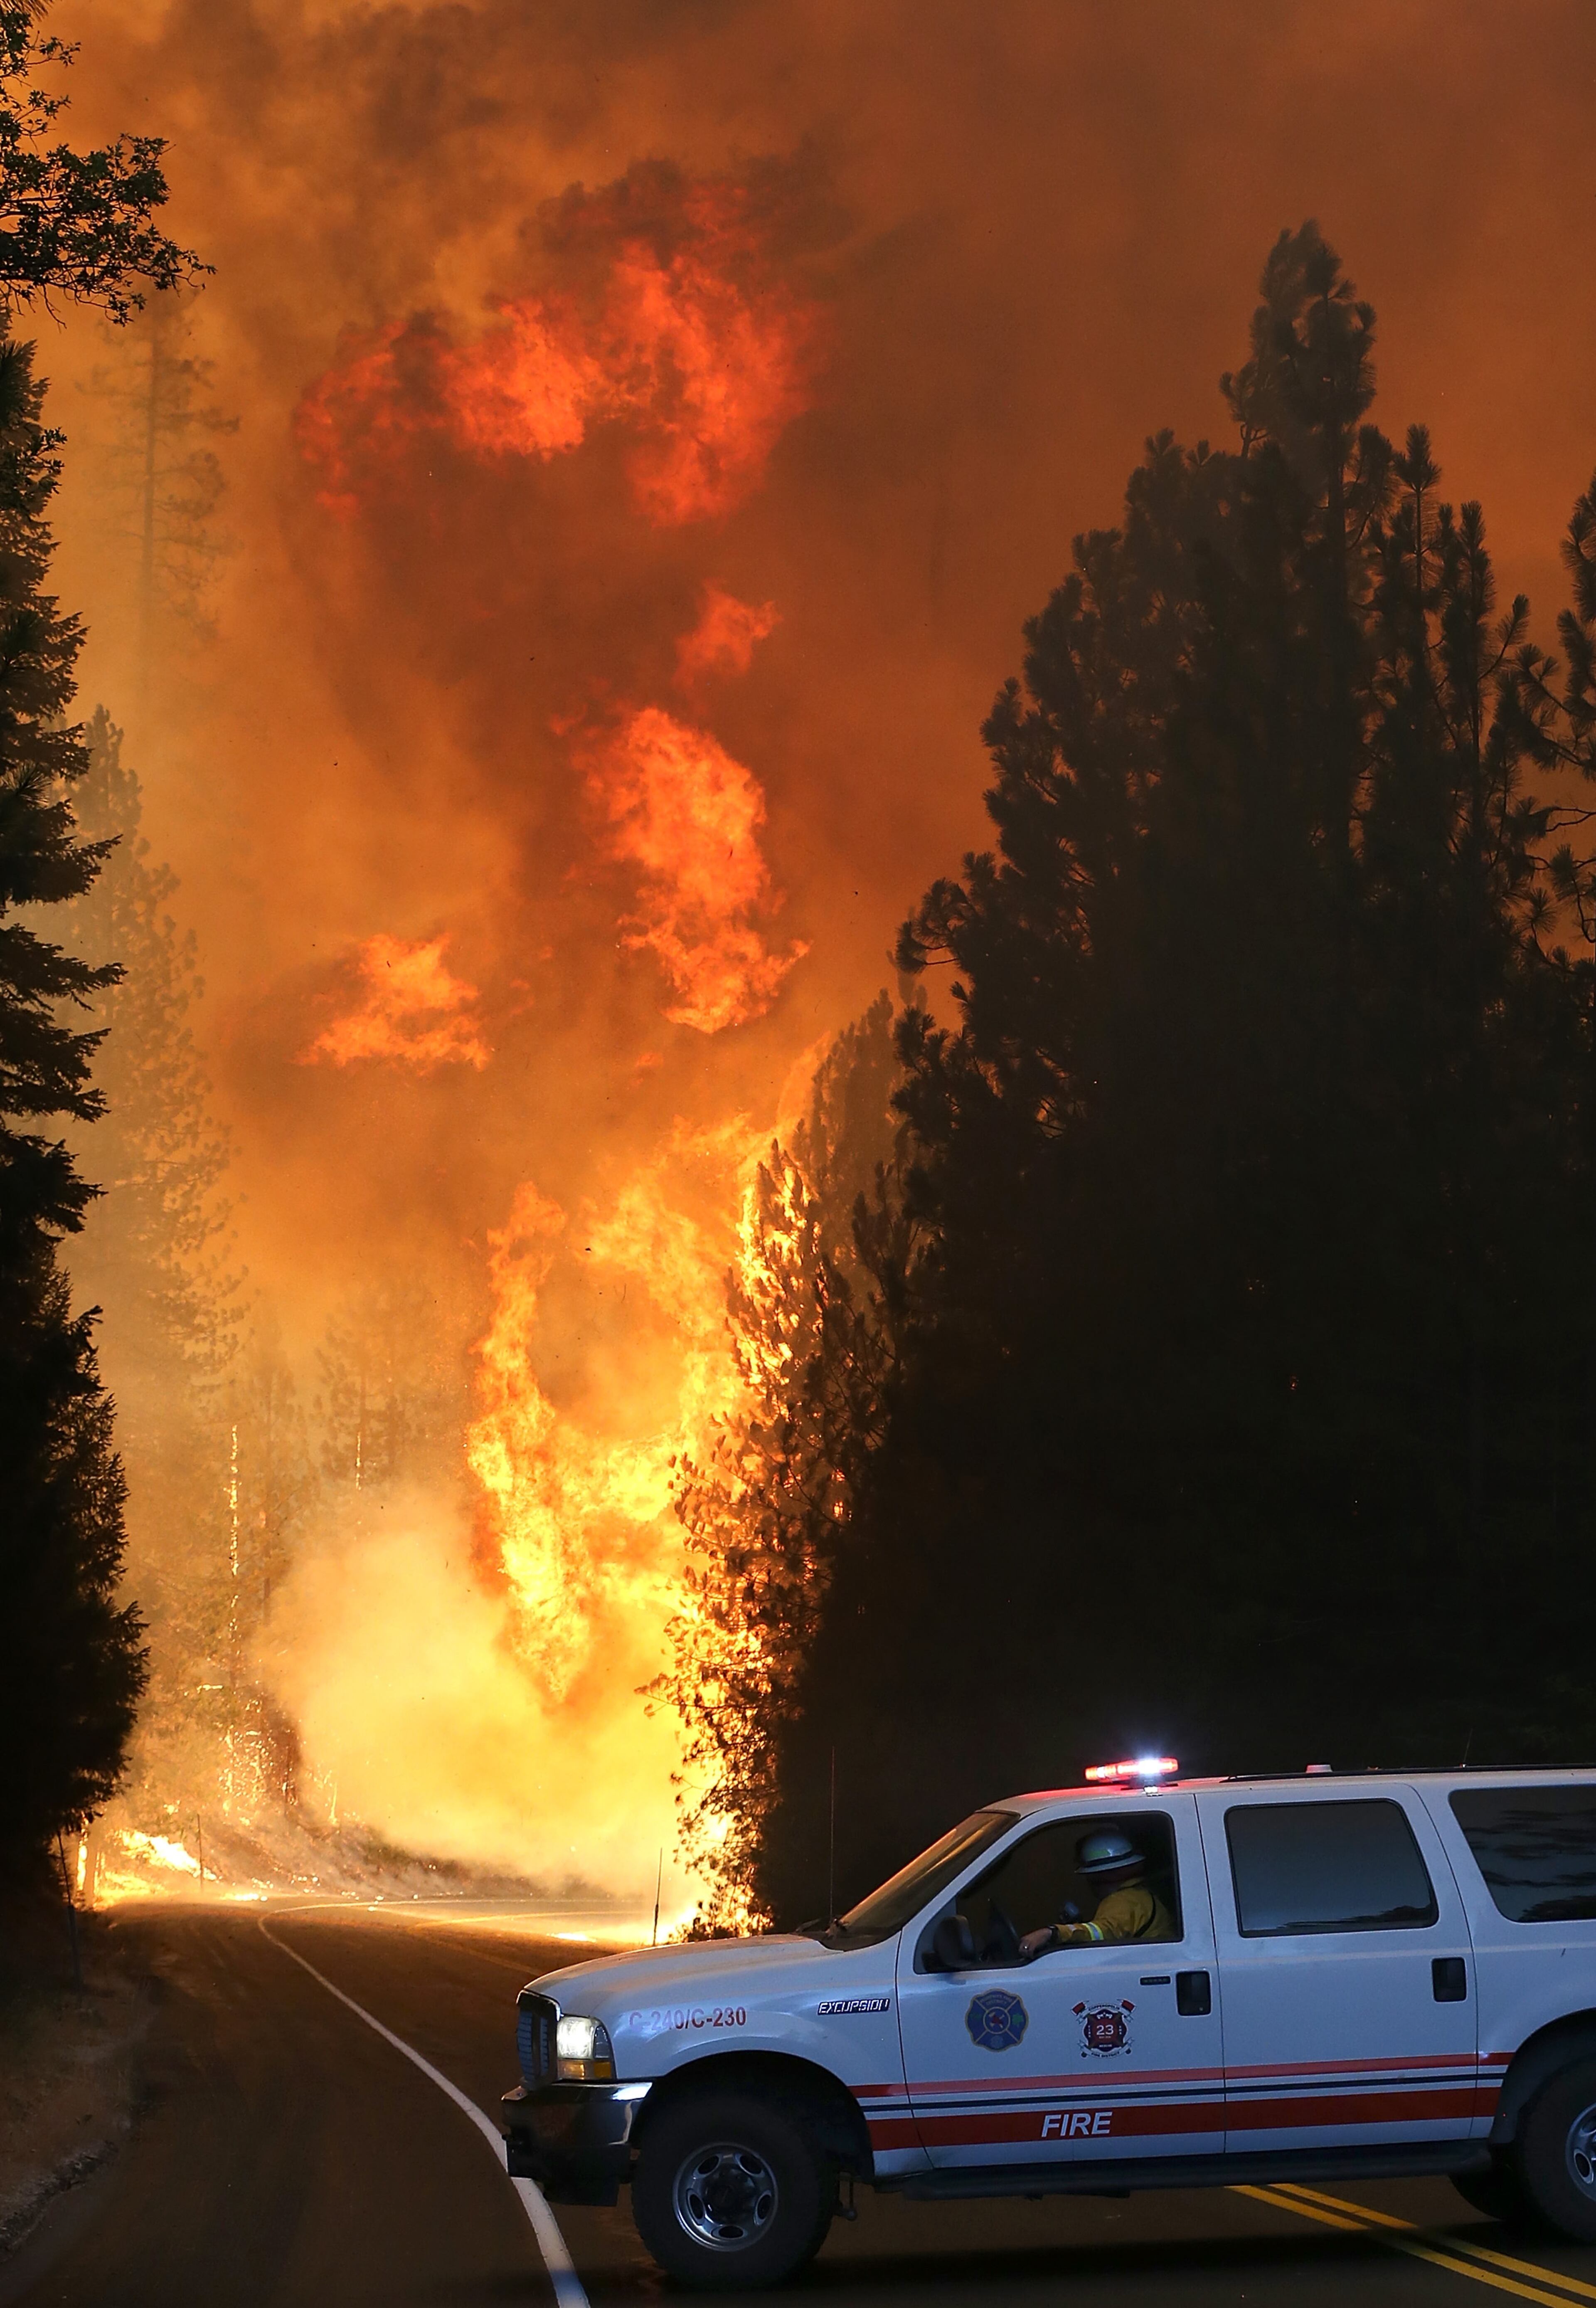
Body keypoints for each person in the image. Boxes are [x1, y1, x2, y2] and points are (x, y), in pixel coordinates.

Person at [1019, 1828, 1175, 1955]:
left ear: (1101, 1876)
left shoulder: (1123, 1901)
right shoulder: (1139, 1895)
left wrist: (1052, 1933)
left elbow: (1103, 1931)